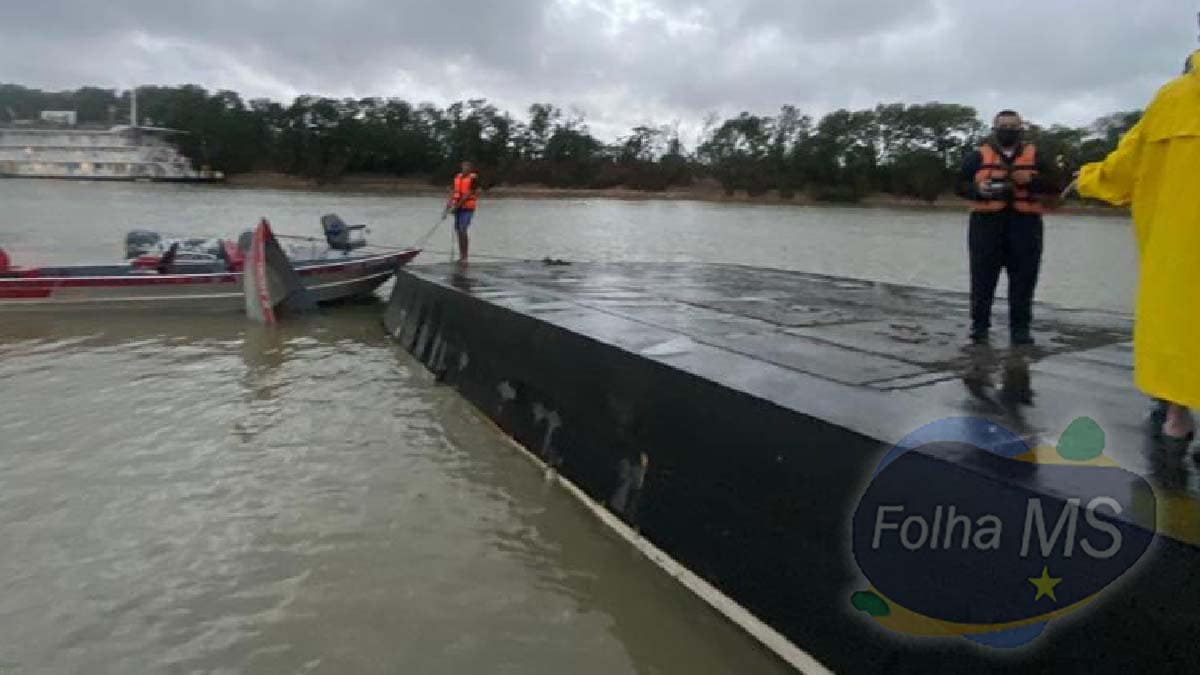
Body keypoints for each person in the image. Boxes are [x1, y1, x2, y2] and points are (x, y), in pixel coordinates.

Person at [1073, 50, 1200, 442]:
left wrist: (1086, 179)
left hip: (1179, 251)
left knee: (1180, 326)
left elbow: (1123, 169)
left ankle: (1177, 417)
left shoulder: (1170, 100)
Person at [958, 111, 1060, 346]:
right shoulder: (976, 155)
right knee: (982, 279)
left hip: (1025, 226)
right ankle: (979, 327)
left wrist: (1031, 181)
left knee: (1024, 279)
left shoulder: (1038, 157)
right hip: (986, 225)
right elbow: (959, 184)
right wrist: (979, 189)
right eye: (1003, 126)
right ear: (994, 129)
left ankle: (1020, 329)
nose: (1008, 130)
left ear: (1021, 129)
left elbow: (1057, 184)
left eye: (1013, 126)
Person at [446, 161, 480, 264]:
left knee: (462, 230)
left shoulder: (473, 179)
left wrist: (456, 207)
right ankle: (461, 256)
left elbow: (467, 195)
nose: (465, 168)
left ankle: (465, 257)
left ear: (470, 169)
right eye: (464, 167)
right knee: (458, 231)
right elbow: (454, 193)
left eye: (467, 167)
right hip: (458, 208)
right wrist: (447, 207)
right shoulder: (457, 177)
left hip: (467, 208)